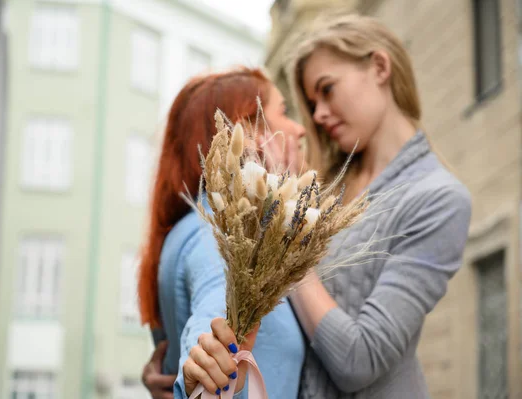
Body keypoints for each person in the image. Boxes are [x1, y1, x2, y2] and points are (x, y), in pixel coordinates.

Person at [179, 14, 472, 399]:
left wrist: (287, 240)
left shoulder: (438, 198)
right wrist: (185, 367)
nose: (316, 114)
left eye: (327, 89)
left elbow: (360, 360)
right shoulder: (321, 180)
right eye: (312, 102)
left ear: (379, 67)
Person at [136, 67, 308, 399]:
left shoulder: (193, 227)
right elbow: (213, 315)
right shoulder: (221, 235)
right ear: (249, 132)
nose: (299, 129)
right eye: (284, 113)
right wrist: (201, 376)